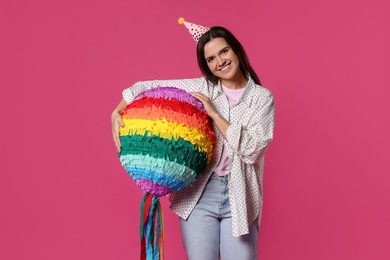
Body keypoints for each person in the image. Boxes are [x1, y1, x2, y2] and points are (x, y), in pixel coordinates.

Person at [111, 18, 274, 260]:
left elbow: (252, 150)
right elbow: (148, 86)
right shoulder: (203, 87)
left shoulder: (261, 98)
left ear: (235, 49)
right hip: (199, 195)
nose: (220, 62)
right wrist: (117, 110)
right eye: (211, 59)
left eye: (224, 51)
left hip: (240, 197)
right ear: (206, 66)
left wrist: (214, 114)